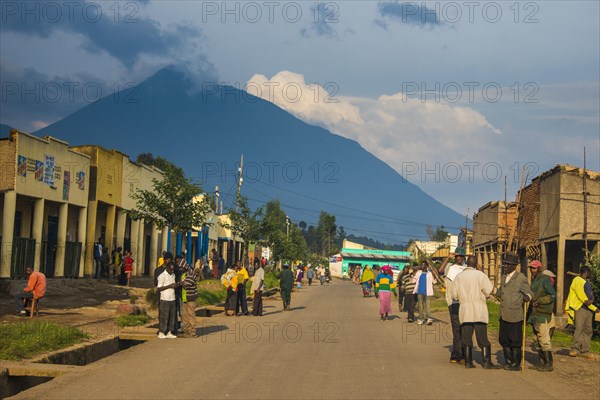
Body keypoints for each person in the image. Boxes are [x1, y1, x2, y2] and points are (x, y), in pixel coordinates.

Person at [452, 256, 498, 369]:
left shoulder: (458, 277)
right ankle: (486, 362)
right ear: (476, 264)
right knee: (482, 338)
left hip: (465, 311)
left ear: (466, 263)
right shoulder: (481, 275)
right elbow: (488, 291)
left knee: (466, 338)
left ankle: (468, 362)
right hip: (479, 311)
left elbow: (454, 295)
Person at [496, 252, 533, 371]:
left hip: (515, 315)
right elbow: (501, 293)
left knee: (515, 341)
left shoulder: (520, 277)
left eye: (507, 264)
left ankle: (515, 363)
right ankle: (507, 360)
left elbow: (529, 292)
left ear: (513, 266)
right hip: (503, 314)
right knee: (503, 339)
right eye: (505, 264)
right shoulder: (503, 277)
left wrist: (528, 297)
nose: (505, 266)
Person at [438, 249, 467, 364]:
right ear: (454, 257)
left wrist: (471, 256)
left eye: (462, 256)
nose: (459, 258)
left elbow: (480, 272)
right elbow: (439, 271)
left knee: (463, 328)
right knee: (456, 328)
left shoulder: (466, 268)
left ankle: (457, 354)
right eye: (457, 256)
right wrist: (447, 258)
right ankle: (459, 355)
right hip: (453, 302)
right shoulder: (450, 267)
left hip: (465, 303)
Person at [527, 260, 556, 371]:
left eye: (534, 268)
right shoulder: (535, 281)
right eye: (531, 268)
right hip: (535, 314)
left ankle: (549, 364)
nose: (532, 270)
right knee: (537, 339)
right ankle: (542, 362)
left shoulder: (544, 279)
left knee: (544, 339)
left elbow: (552, 295)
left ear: (539, 268)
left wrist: (540, 301)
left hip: (543, 313)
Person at [565, 265, 599, 358]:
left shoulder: (586, 282)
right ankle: (575, 349)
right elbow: (582, 297)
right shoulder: (577, 280)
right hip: (580, 308)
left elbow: (590, 297)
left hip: (588, 310)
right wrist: (592, 306)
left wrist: (592, 306)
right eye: (589, 273)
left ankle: (585, 351)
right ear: (586, 273)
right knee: (579, 329)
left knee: (588, 330)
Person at [157, 262, 180, 339]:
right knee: (164, 316)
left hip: (172, 298)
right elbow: (159, 288)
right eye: (171, 270)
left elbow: (174, 284)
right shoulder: (162, 276)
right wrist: (169, 286)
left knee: (172, 316)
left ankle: (170, 331)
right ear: (167, 268)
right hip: (165, 298)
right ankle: (161, 332)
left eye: (173, 270)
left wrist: (175, 285)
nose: (172, 271)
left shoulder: (173, 275)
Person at [179, 263, 200, 338]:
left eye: (181, 267)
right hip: (185, 297)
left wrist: (180, 283)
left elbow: (186, 284)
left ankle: (192, 332)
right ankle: (186, 331)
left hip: (191, 297)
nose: (180, 269)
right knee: (185, 315)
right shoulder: (184, 274)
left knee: (191, 315)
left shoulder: (191, 274)